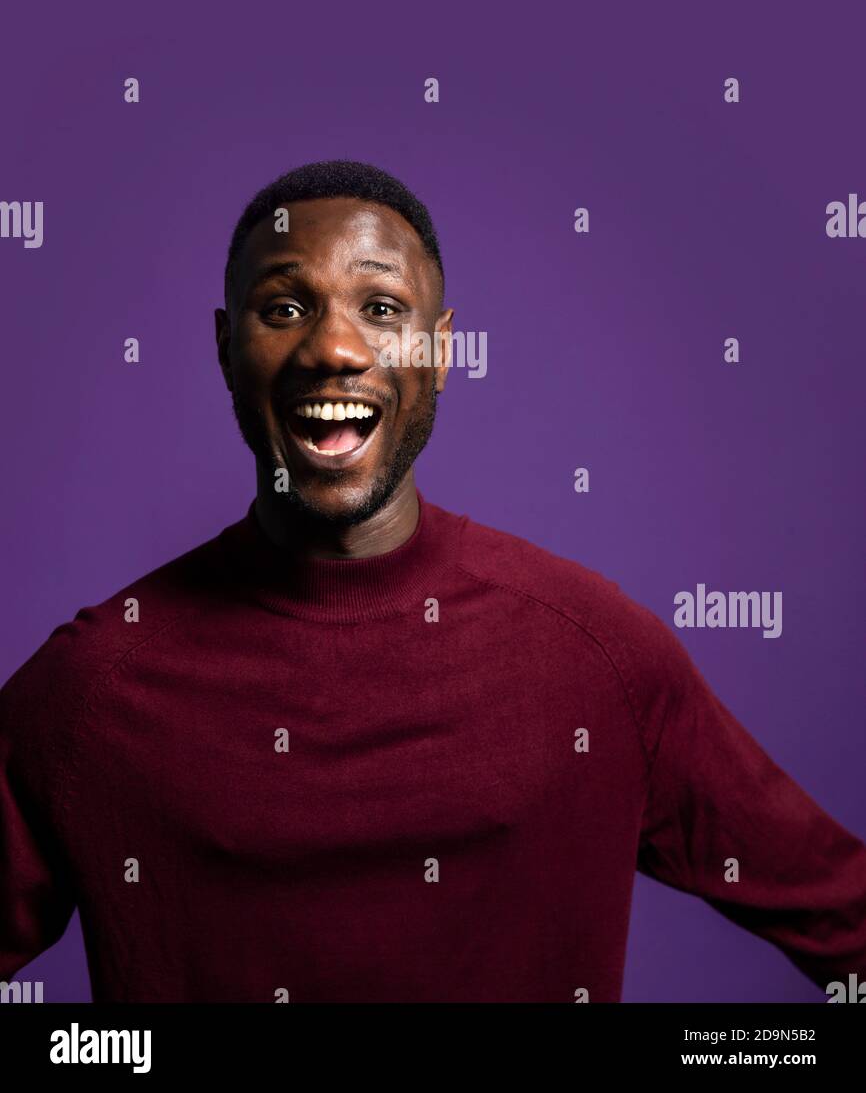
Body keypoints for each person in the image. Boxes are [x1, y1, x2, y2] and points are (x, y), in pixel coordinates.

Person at [2, 159, 865, 1003]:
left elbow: (847, 921)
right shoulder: (92, 690)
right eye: (285, 307)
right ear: (228, 350)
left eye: (381, 309)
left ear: (442, 351)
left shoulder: (599, 659)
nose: (334, 347)